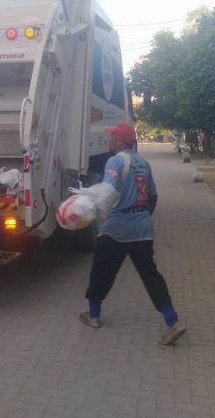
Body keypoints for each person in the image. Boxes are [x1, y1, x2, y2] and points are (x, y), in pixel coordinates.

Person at [79, 122, 186, 346]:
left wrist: (89, 203)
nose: (109, 139)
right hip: (142, 229)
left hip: (116, 229)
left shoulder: (115, 161)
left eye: (112, 136)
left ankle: (93, 315)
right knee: (150, 274)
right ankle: (172, 320)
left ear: (119, 140)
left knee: (102, 271)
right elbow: (153, 196)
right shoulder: (143, 163)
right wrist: (142, 216)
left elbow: (107, 192)